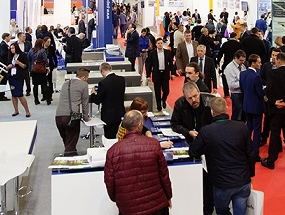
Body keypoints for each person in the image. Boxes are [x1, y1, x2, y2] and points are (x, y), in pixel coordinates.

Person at [189, 97, 256, 215]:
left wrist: (206, 149)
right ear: (226, 108)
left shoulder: (206, 131)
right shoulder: (241, 126)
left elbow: (193, 151)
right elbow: (251, 153)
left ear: (212, 112)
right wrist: (250, 174)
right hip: (242, 180)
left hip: (222, 183)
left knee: (221, 210)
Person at [105, 110, 173, 215]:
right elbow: (164, 175)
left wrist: (120, 199)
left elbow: (110, 182)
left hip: (128, 208)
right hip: (156, 205)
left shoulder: (112, 151)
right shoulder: (154, 145)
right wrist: (168, 196)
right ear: (140, 124)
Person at [170, 82, 214, 215]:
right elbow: (174, 124)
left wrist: (205, 135)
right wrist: (188, 132)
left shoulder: (209, 103)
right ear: (185, 97)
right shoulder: (180, 104)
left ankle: (208, 209)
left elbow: (215, 124)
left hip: (208, 145)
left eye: (195, 96)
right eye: (190, 98)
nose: (194, 100)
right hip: (190, 144)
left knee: (209, 181)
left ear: (199, 92)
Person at [56, 67, 90, 156]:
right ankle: (70, 161)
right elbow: (85, 103)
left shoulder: (65, 83)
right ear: (84, 77)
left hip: (59, 116)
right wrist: (86, 117)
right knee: (70, 146)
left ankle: (73, 156)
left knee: (68, 143)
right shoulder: (84, 85)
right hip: (72, 117)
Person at [240, 54, 266, 160]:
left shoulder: (242, 74)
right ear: (253, 63)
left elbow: (242, 89)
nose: (260, 64)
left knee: (248, 127)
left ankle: (245, 149)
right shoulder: (256, 77)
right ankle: (255, 153)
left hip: (246, 105)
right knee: (257, 130)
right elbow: (260, 93)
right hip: (256, 107)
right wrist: (267, 88)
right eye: (258, 62)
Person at [90, 62, 126, 139]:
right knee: (115, 133)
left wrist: (93, 93)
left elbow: (98, 100)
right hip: (119, 112)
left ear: (103, 71)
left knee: (109, 136)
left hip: (108, 115)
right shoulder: (121, 80)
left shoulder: (103, 83)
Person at [146, 37, 173, 110]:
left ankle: (163, 99)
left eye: (161, 43)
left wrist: (172, 73)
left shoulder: (167, 52)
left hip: (165, 74)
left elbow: (171, 63)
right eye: (158, 43)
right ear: (156, 44)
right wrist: (148, 75)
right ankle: (158, 106)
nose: (160, 45)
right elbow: (149, 65)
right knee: (157, 91)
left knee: (166, 91)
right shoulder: (152, 53)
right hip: (156, 74)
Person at [6, 41, 31, 117]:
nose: (12, 50)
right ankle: (16, 110)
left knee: (20, 94)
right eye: (11, 48)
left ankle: (27, 111)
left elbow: (25, 66)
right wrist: (8, 67)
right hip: (12, 77)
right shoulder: (10, 56)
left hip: (19, 77)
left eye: (13, 48)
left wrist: (19, 63)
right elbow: (7, 66)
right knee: (14, 95)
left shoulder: (22, 55)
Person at [218, 33, 244, 97]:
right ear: (235, 37)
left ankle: (226, 93)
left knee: (225, 78)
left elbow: (220, 54)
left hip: (226, 63)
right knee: (236, 77)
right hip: (237, 63)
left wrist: (217, 62)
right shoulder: (239, 44)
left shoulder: (225, 44)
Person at [225, 50, 247, 121]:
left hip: (243, 93)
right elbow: (231, 85)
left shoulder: (242, 66)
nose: (242, 62)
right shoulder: (229, 68)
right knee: (237, 115)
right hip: (236, 94)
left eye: (243, 60)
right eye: (241, 60)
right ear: (235, 58)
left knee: (244, 115)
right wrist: (243, 82)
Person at [28, 39, 49, 105]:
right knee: (44, 84)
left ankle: (36, 100)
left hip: (34, 69)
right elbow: (45, 59)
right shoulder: (42, 51)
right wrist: (47, 67)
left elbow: (28, 58)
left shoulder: (31, 50)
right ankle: (48, 100)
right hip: (41, 70)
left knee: (35, 85)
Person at [0, 33, 11, 101]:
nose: (10, 38)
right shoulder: (3, 45)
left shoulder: (5, 44)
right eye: (9, 37)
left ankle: (2, 94)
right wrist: (9, 51)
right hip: (3, 65)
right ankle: (0, 95)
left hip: (4, 64)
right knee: (2, 79)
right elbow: (3, 54)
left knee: (3, 79)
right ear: (6, 37)